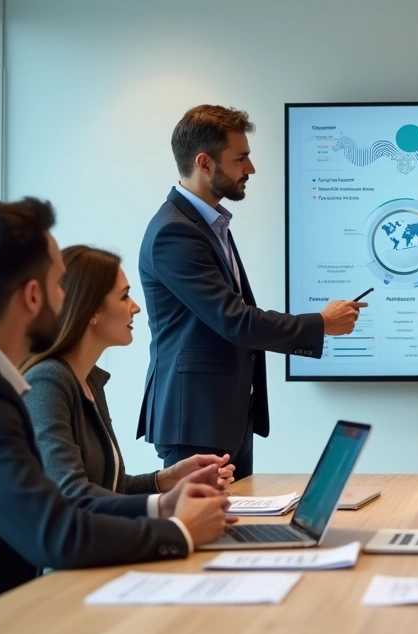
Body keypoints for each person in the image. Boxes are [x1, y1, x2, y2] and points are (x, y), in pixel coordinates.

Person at [0, 198, 234, 631]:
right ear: (33, 297)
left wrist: (160, 503)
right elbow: (55, 532)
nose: (66, 297)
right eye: (59, 285)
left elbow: (55, 508)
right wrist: (179, 531)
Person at [138, 105, 366, 478]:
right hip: (196, 420)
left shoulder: (210, 224)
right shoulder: (174, 233)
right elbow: (235, 321)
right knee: (203, 532)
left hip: (226, 416)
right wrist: (321, 324)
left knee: (234, 528)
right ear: (205, 163)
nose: (251, 168)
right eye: (241, 158)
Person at [22, 246, 236, 498]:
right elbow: (74, 494)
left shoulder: (88, 381)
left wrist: (169, 479)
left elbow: (107, 487)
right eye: (124, 297)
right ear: (92, 311)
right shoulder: (48, 382)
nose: (135, 308)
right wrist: (164, 505)